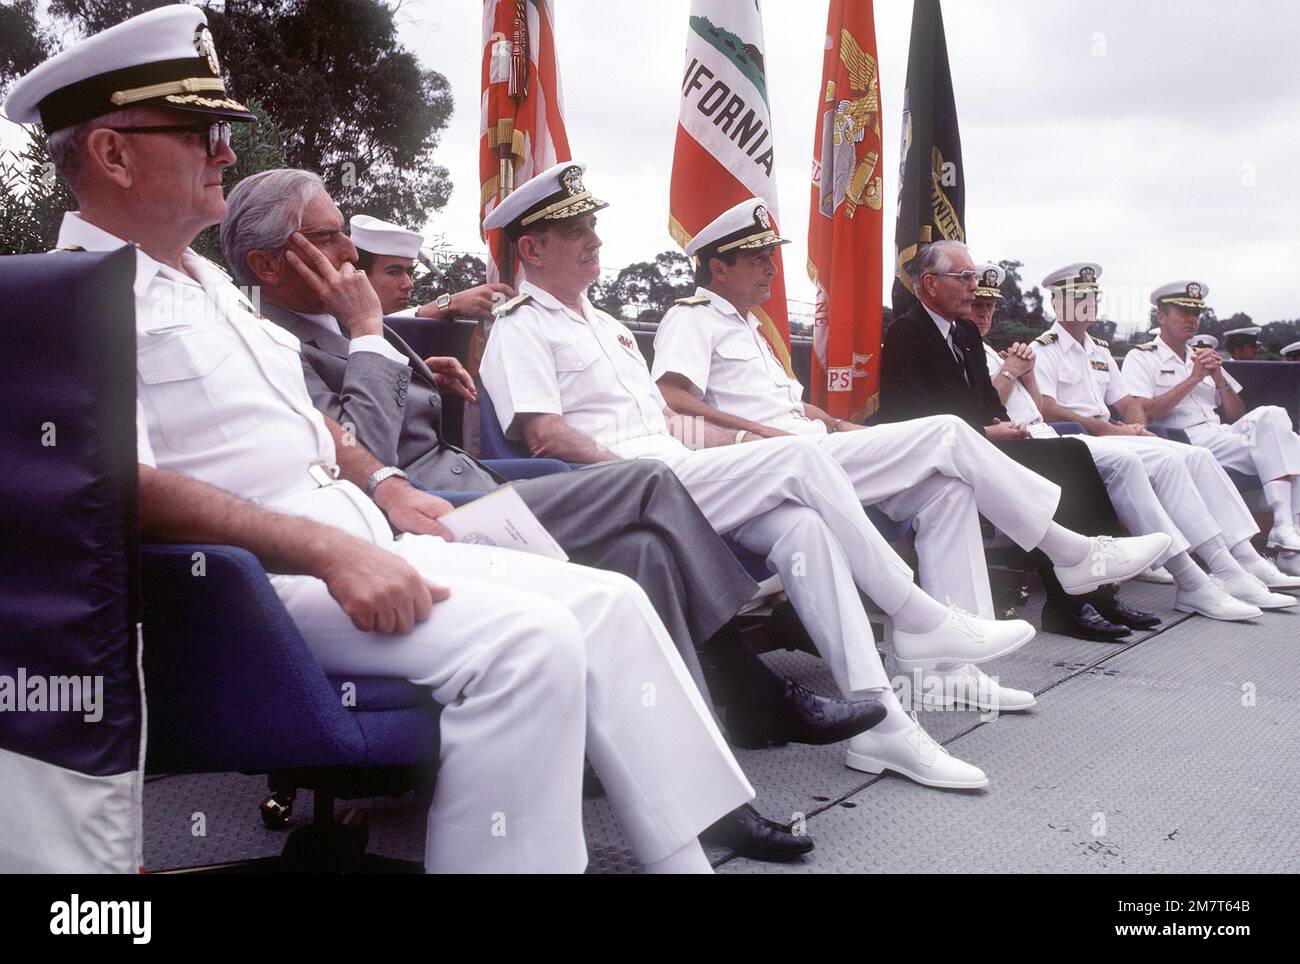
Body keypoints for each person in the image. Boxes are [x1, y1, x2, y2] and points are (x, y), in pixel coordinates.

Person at [3, 4, 757, 874]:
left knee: (608, 601)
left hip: (356, 537)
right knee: (531, 644)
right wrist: (327, 548)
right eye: (204, 129)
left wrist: (382, 482)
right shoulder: (70, 300)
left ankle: (686, 857)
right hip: (247, 594)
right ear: (112, 152)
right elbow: (115, 484)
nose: (225, 151)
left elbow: (302, 418)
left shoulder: (199, 278)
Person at [223, 170, 886, 861]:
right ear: (269, 265)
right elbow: (361, 464)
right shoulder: (272, 342)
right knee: (649, 484)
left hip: (474, 487)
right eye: (328, 239)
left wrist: (434, 385)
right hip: (418, 524)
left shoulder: (347, 324)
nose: (350, 257)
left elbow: (423, 431)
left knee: (645, 554)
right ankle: (754, 689)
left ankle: (703, 806)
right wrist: (366, 330)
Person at [479, 162, 1169, 790]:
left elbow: (668, 418)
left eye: (593, 226)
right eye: (575, 231)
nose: (594, 240)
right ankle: (953, 604)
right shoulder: (520, 326)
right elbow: (542, 434)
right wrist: (635, 470)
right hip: (627, 488)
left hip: (682, 473)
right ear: (531, 250)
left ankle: (887, 728)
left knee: (822, 521)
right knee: (881, 446)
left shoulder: (609, 327)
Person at [651, 198, 1107, 712]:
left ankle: (951, 673)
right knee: (948, 433)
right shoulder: (692, 318)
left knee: (947, 491)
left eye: (771, 256)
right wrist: (764, 436)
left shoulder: (753, 328)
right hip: (774, 467)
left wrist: (837, 423)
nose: (771, 268)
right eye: (757, 258)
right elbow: (674, 401)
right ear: (719, 266)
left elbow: (788, 405)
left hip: (814, 451)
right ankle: (1068, 551)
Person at [878, 242, 1159, 641]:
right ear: (931, 284)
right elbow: (911, 417)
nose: (974, 287)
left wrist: (1006, 426)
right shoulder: (909, 333)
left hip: (978, 442)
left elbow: (988, 403)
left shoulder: (964, 336)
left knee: (1073, 452)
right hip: (933, 452)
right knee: (1053, 464)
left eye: (974, 277)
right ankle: (1067, 603)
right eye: (965, 278)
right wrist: (989, 433)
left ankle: (1101, 591)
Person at [969, 263, 1279, 619]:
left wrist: (1137, 425)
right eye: (1078, 298)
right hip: (1066, 436)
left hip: (1082, 434)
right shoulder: (1042, 348)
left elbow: (1126, 403)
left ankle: (1238, 558)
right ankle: (1201, 577)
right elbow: (1043, 411)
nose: (1088, 304)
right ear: (1056, 305)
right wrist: (1116, 431)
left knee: (1193, 456)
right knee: (1153, 462)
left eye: (1092, 297)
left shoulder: (1084, 351)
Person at [1121, 280, 1300, 556]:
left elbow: (1236, 413)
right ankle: (1286, 535)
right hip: (1185, 440)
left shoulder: (1202, 356)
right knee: (1287, 445)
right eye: (1183, 312)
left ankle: (1287, 533)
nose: (1192, 320)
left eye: (1196, 314)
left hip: (1221, 434)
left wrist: (1219, 380)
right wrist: (1193, 379)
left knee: (1277, 420)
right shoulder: (1142, 357)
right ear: (1162, 317)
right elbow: (1144, 412)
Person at [348, 213, 513, 320]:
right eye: (394, 272)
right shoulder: (333, 328)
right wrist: (448, 304)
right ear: (359, 275)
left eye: (410, 273)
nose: (409, 284)